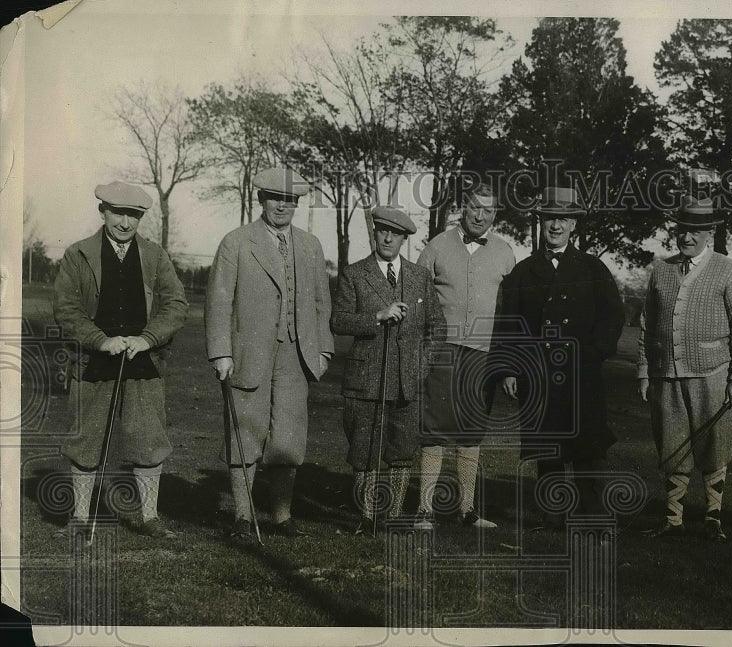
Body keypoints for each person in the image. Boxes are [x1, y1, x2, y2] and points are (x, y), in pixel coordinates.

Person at [53, 181, 188, 538]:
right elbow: (65, 309)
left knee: (149, 438)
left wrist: (148, 338)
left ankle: (150, 517)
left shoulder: (156, 255)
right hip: (92, 362)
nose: (125, 223)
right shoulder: (78, 254)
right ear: (103, 212)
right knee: (86, 439)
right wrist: (99, 339)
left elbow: (176, 304)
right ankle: (80, 519)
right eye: (118, 213)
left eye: (134, 216)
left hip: (144, 363)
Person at [205, 168, 334, 539]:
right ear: (260, 199)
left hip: (298, 355)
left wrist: (323, 349)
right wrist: (221, 353)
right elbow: (218, 302)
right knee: (245, 432)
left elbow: (322, 302)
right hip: (247, 354)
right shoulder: (237, 242)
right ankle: (243, 517)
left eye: (290, 200)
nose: (282, 206)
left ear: (297, 204)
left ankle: (281, 515)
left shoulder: (310, 246)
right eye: (275, 198)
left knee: (288, 438)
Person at [500, 186, 625, 529]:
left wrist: (595, 352)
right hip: (538, 374)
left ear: (574, 226)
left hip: (581, 374)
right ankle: (550, 517)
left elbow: (613, 316)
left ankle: (592, 515)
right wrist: (511, 368)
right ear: (541, 223)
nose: (555, 226)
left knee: (587, 446)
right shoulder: (523, 272)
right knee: (546, 446)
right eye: (549, 219)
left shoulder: (592, 268)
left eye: (563, 219)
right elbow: (509, 323)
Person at [637, 196, 732, 542]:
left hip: (712, 373)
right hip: (666, 374)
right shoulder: (662, 269)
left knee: (715, 444)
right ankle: (673, 519)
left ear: (710, 232)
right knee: (672, 443)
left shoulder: (727, 269)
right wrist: (644, 370)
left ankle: (713, 517)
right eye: (683, 230)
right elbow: (646, 325)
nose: (688, 237)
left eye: (696, 231)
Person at [331, 206, 446, 534]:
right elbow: (338, 320)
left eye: (394, 234)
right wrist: (377, 316)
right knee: (364, 449)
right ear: (375, 233)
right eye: (382, 230)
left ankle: (393, 516)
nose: (387, 237)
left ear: (404, 239)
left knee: (402, 449)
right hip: (365, 378)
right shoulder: (355, 274)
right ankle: (367, 517)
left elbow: (436, 325)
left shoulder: (419, 277)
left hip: (408, 381)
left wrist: (421, 365)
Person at [414, 184, 516, 530]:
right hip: (441, 350)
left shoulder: (505, 253)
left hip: (484, 354)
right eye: (475, 207)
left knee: (471, 431)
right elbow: (417, 296)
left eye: (488, 210)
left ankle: (466, 510)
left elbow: (510, 310)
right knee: (435, 427)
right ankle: (425, 509)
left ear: (495, 215)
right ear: (463, 207)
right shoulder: (437, 246)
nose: (481, 215)